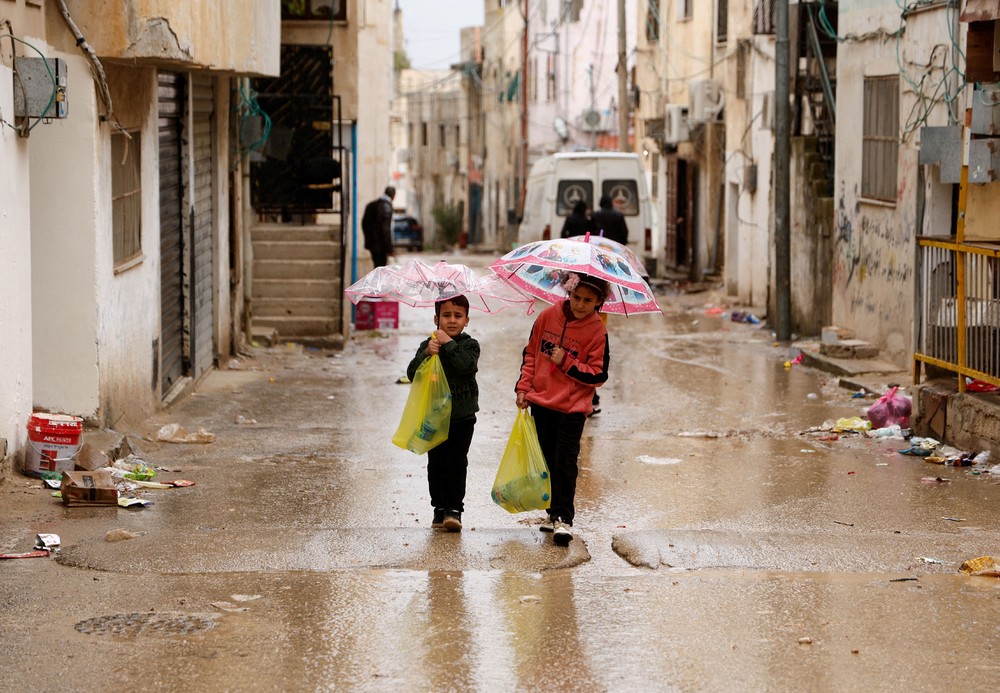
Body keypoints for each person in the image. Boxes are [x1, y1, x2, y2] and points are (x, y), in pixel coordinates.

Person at [514, 272, 610, 546]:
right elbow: (531, 353)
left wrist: (567, 362)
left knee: (565, 462)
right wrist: (524, 388)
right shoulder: (547, 317)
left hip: (572, 409)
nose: (580, 305)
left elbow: (598, 374)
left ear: (598, 302)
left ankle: (563, 518)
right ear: (568, 293)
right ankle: (550, 512)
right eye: (576, 297)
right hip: (542, 403)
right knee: (546, 461)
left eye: (588, 300)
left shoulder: (597, 331)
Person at [406, 295, 480, 532]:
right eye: (446, 315)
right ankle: (439, 507)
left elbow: (465, 365)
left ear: (466, 320)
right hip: (434, 417)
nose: (452, 320)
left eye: (458, 316)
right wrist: (426, 353)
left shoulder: (470, 345)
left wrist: (448, 343)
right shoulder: (428, 345)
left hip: (462, 417)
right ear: (436, 318)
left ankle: (454, 509)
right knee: (436, 463)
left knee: (457, 462)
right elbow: (411, 374)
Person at [361, 186, 395, 268]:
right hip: (381, 246)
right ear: (393, 195)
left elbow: (364, 224)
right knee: (381, 269)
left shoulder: (371, 205)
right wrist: (389, 248)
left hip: (372, 244)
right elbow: (385, 229)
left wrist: (369, 240)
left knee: (376, 267)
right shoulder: (386, 206)